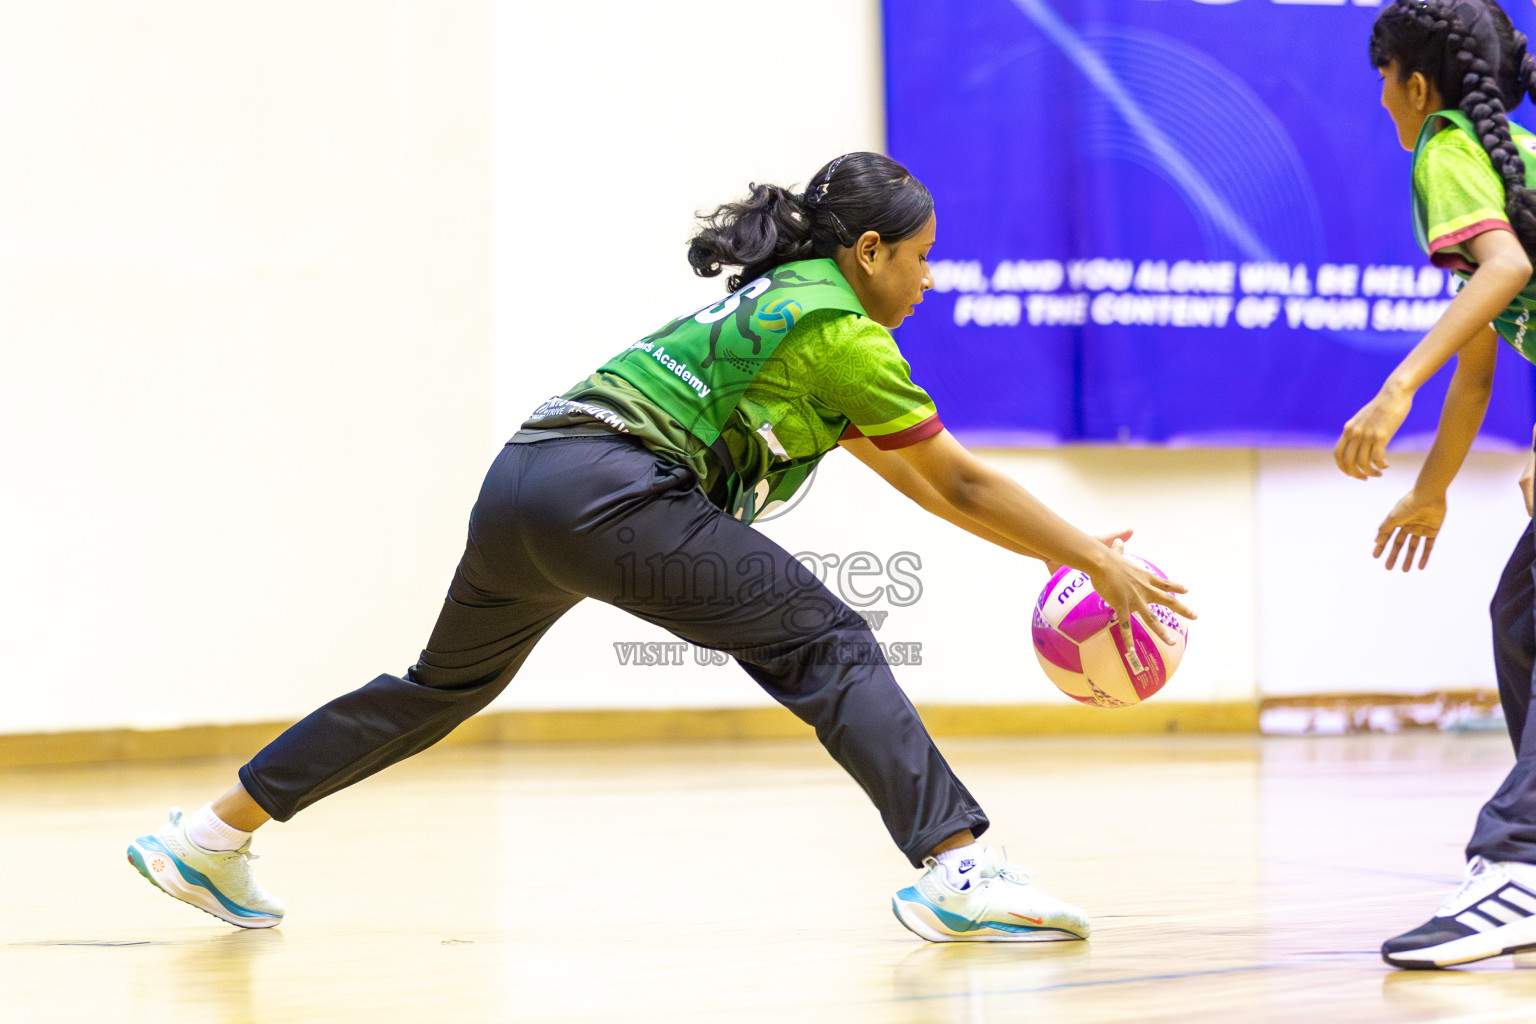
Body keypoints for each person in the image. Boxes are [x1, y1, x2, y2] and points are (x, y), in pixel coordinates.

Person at [126, 151, 1193, 942]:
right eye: (920, 259)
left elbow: (929, 485)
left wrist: (1069, 549)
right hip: (615, 493)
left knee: (435, 686)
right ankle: (957, 869)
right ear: (869, 252)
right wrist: (1092, 563)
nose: (928, 281)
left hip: (528, 477)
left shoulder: (786, 304)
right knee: (826, 640)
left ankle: (210, 835)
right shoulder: (846, 333)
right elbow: (960, 476)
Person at [1338, 0, 1536, 969]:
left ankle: (1518, 862)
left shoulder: (1445, 150)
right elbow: (1481, 367)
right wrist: (1432, 489)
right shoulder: (1506, 158)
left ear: (1416, 86)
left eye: (1384, 80)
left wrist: (1391, 388)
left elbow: (1504, 269)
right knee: (1522, 613)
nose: (1381, 100)